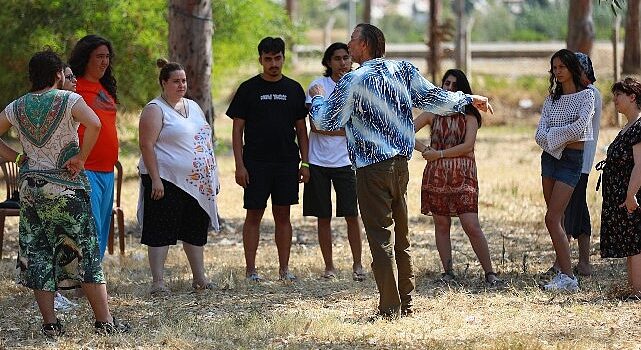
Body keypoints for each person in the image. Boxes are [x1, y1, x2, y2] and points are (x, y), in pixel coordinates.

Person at [308, 23, 492, 319]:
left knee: (381, 241)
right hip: (400, 167)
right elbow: (435, 98)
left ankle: (389, 308)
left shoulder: (352, 80)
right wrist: (468, 99)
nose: (349, 44)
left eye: (353, 40)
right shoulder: (403, 70)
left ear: (365, 45)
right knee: (402, 239)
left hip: (371, 169)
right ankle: (407, 302)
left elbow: (327, 121)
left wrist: (317, 97)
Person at [0, 50, 128, 337]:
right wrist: (81, 158)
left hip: (31, 189)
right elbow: (94, 123)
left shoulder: (17, 107)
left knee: (38, 252)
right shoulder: (69, 99)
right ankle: (104, 321)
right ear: (58, 74)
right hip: (66, 187)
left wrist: (19, 158)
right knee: (85, 253)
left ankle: (50, 324)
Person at [226, 37, 309, 282]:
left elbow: (302, 132)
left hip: (286, 164)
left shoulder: (294, 89)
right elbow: (236, 131)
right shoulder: (248, 89)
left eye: (277, 58)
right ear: (260, 60)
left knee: (283, 215)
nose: (273, 63)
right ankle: (250, 270)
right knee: (254, 215)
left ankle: (284, 270)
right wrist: (239, 165)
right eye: (268, 59)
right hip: (255, 164)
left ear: (283, 58)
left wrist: (305, 163)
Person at [138, 59, 220, 295]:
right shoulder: (155, 109)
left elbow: (205, 141)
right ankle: (158, 282)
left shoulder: (193, 107)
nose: (181, 85)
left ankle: (199, 278)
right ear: (164, 83)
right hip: (165, 180)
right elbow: (146, 145)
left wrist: (213, 176)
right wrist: (155, 179)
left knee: (195, 229)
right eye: (176, 81)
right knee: (160, 230)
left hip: (196, 181)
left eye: (184, 81)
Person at [414, 69, 499, 286]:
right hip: (437, 175)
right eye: (446, 83)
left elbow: (467, 146)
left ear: (462, 90)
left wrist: (439, 154)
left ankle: (490, 273)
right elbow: (404, 131)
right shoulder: (433, 112)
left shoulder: (469, 115)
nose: (449, 88)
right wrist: (425, 149)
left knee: (471, 224)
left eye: (454, 85)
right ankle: (448, 272)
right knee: (441, 225)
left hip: (463, 174)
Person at [535, 49, 595, 292]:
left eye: (562, 67)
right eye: (554, 68)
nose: (558, 71)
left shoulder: (587, 97)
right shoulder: (551, 99)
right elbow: (539, 135)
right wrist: (559, 138)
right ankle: (562, 271)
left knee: (552, 217)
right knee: (555, 219)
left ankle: (569, 277)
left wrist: (553, 136)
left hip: (571, 160)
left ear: (571, 68)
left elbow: (581, 127)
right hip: (549, 159)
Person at [303, 42, 364, 281]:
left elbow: (360, 125)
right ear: (328, 62)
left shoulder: (358, 87)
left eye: (346, 58)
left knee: (352, 215)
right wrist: (347, 128)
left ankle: (358, 264)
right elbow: (317, 125)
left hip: (347, 162)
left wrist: (336, 127)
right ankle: (329, 266)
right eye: (337, 58)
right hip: (318, 161)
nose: (343, 63)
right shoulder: (318, 87)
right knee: (323, 216)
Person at [69, 35, 119, 260]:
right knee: (90, 228)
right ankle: (85, 281)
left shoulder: (104, 87)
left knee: (101, 229)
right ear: (85, 58)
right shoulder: (73, 87)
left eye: (107, 57)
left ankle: (91, 280)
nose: (104, 61)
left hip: (107, 170)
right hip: (85, 167)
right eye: (99, 56)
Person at [599, 77, 641, 298]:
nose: (614, 99)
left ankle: (637, 291)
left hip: (632, 195)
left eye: (619, 95)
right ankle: (634, 290)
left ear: (632, 97)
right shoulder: (628, 127)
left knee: (636, 242)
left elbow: (640, 165)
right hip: (622, 195)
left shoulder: (639, 127)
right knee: (631, 242)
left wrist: (631, 194)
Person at [563, 52, 601, 277]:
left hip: (580, 162)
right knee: (577, 209)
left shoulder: (590, 94)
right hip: (571, 161)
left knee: (570, 211)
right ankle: (582, 262)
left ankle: (565, 264)